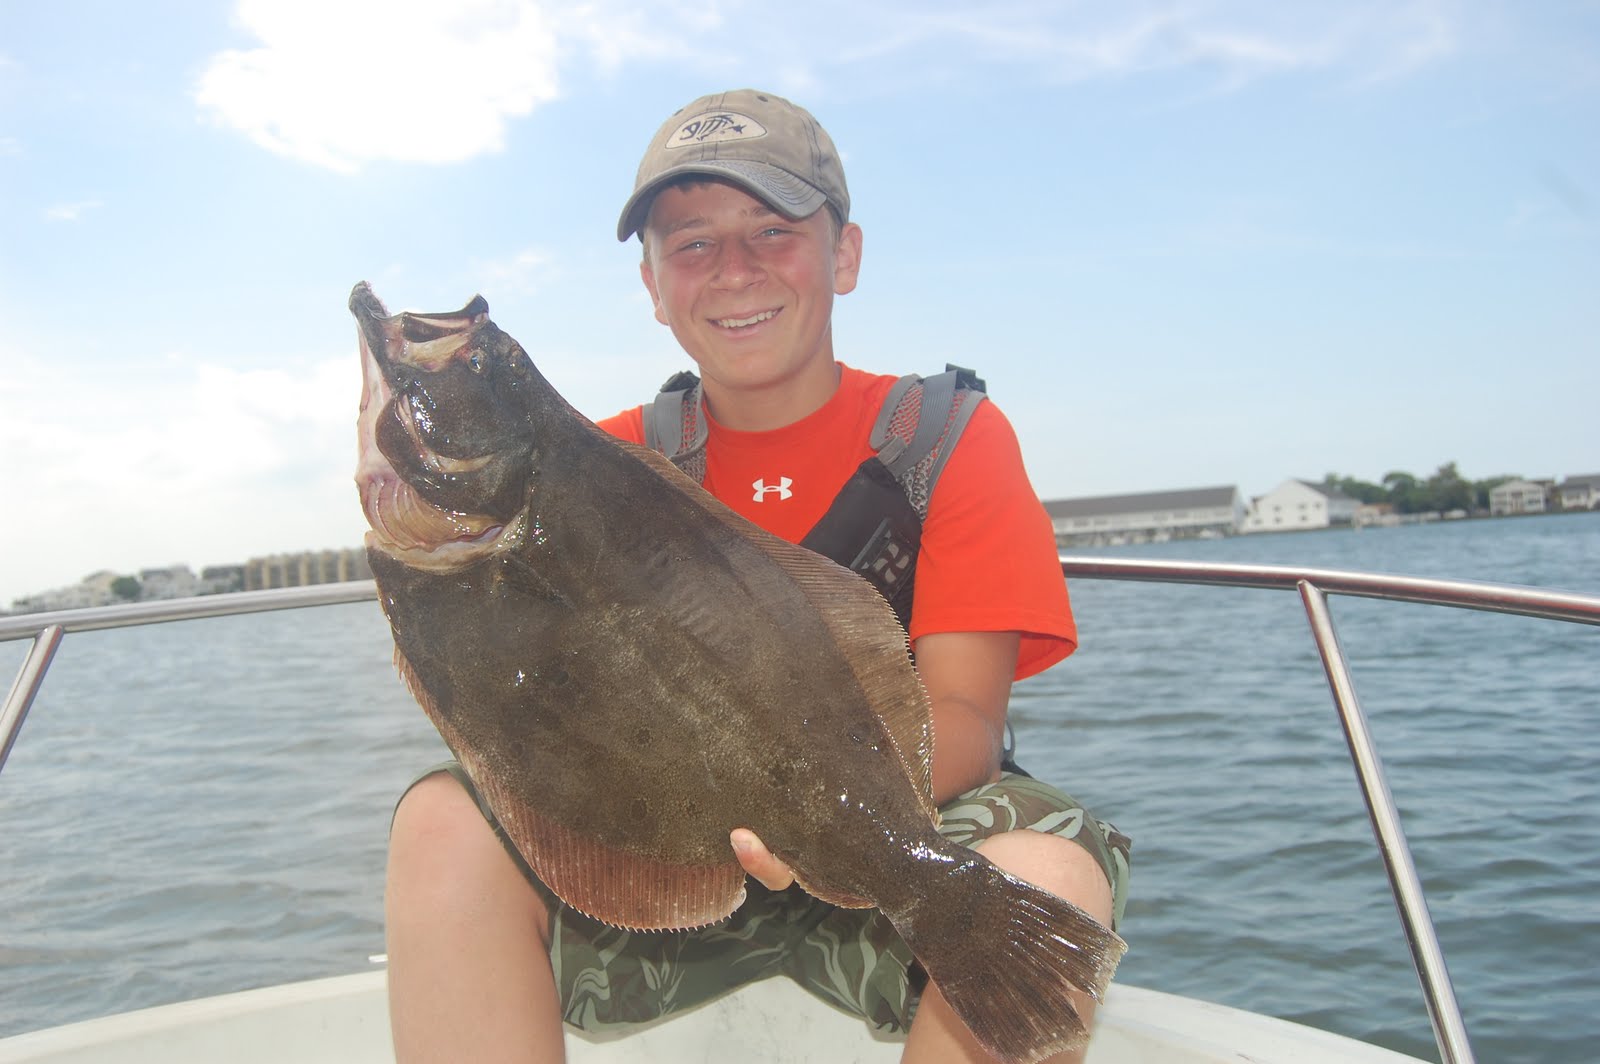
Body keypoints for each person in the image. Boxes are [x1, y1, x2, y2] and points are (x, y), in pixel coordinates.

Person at [385, 88, 1130, 1064]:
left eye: (772, 231)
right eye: (689, 243)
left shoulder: (942, 443)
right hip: (670, 854)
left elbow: (970, 719)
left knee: (1047, 876)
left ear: (844, 254)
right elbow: (518, 712)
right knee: (440, 818)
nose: (732, 270)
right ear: (652, 285)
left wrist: (819, 814)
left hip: (899, 832)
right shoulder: (590, 467)